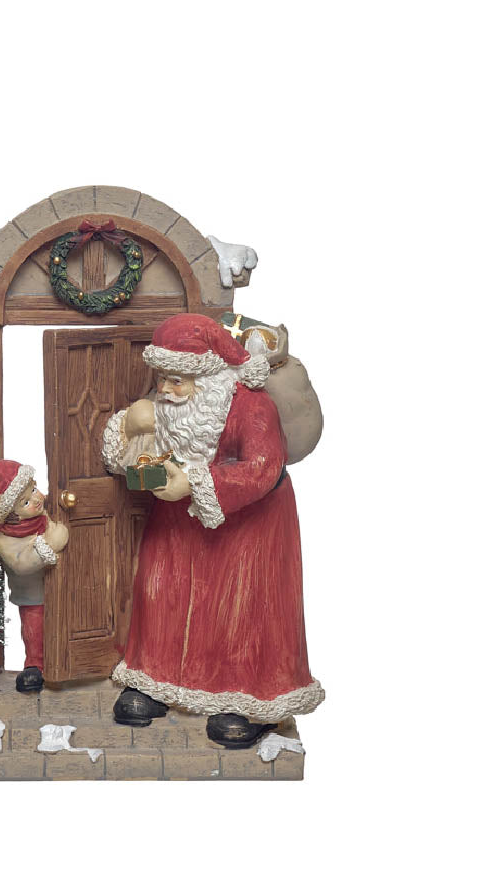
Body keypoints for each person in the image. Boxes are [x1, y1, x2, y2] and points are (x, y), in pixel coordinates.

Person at [101, 313, 324, 747]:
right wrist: (134, 434)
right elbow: (151, 446)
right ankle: (155, 680)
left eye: (177, 381)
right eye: (162, 379)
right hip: (178, 525)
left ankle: (245, 699)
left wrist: (195, 482)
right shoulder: (171, 406)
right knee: (162, 593)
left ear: (210, 377)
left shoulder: (251, 406)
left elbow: (263, 467)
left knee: (239, 609)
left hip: (248, 527)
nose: (166, 390)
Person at [0, 458, 68, 693]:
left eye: (34, 490)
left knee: (62, 621)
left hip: (58, 584)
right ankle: (35, 664)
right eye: (25, 501)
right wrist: (50, 543)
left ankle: (64, 661)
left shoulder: (40, 517)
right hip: (31, 592)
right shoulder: (5, 539)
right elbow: (22, 565)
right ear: (9, 514)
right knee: (34, 627)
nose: (36, 499)